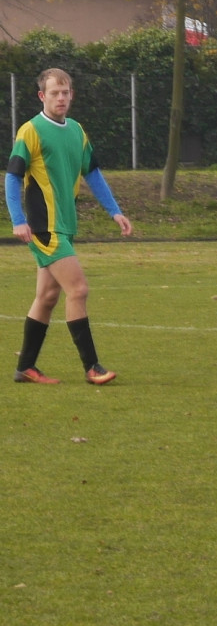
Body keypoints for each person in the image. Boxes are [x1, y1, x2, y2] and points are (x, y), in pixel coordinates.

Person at [5, 67, 133, 386]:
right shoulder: (30, 131)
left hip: (65, 225)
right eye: (54, 93)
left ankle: (26, 368)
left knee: (47, 297)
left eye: (65, 93)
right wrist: (18, 220)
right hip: (44, 227)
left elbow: (93, 173)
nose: (61, 98)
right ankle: (93, 368)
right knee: (78, 289)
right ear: (42, 96)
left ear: (71, 95)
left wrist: (114, 211)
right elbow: (12, 177)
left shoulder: (77, 131)